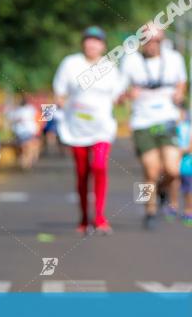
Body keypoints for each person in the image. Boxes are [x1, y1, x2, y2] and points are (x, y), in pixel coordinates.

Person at [53, 26, 126, 235]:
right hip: (76, 128)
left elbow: (118, 96)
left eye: (96, 41)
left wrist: (124, 98)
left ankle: (100, 218)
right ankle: (84, 218)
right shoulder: (70, 64)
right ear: (83, 43)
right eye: (88, 40)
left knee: (100, 167)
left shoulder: (110, 67)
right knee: (82, 173)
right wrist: (59, 103)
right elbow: (60, 92)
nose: (91, 44)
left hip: (101, 128)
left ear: (103, 45)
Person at [120, 25, 187, 229]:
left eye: (156, 40)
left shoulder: (174, 58)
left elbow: (182, 82)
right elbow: (119, 92)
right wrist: (127, 96)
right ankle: (149, 210)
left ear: (162, 40)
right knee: (151, 169)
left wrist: (179, 94)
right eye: (147, 40)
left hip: (168, 119)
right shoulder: (131, 61)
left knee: (173, 170)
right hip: (142, 121)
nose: (151, 45)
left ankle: (162, 192)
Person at [9, 94, 41, 170]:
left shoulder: (30, 109)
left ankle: (27, 162)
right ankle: (26, 161)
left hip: (28, 132)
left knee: (27, 147)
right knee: (24, 148)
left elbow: (38, 117)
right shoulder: (17, 110)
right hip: (21, 132)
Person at [174, 108, 192, 225]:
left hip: (185, 164)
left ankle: (188, 211)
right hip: (172, 160)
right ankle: (147, 208)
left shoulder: (187, 127)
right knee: (150, 175)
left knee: (187, 188)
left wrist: (178, 152)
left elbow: (189, 147)